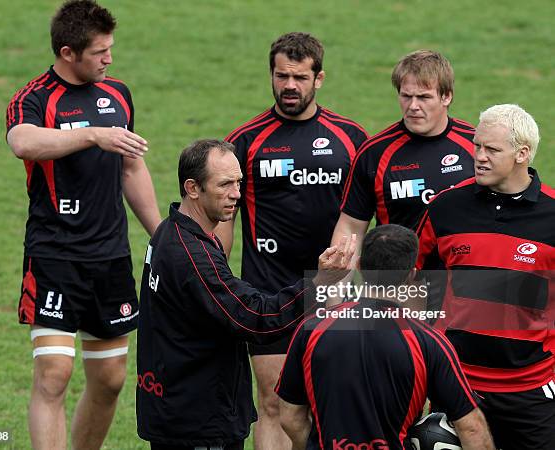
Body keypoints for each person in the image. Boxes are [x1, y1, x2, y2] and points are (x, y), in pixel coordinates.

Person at [5, 1, 161, 448]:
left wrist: (163, 235)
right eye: (99, 52)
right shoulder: (33, 98)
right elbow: (23, 142)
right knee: (54, 374)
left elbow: (132, 170)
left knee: (111, 379)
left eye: (111, 48)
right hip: (55, 253)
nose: (109, 58)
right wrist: (93, 134)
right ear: (68, 52)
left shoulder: (118, 95)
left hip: (110, 257)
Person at [136, 139, 355, 449]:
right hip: (198, 424)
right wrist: (320, 283)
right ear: (193, 187)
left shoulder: (171, 231)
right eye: (225, 184)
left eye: (239, 182)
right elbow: (255, 318)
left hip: (178, 410)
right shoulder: (192, 255)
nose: (237, 194)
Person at [220, 32, 368, 450]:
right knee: (272, 402)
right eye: (282, 75)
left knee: (332, 399)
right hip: (268, 292)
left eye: (300, 77)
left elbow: (365, 217)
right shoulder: (245, 142)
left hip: (334, 290)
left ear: (319, 78)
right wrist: (221, 281)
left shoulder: (352, 139)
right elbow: (224, 220)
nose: (289, 85)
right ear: (271, 75)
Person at [276, 224, 496, 450]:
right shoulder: (429, 342)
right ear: (411, 276)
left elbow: (290, 417)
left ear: (359, 267)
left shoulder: (311, 329)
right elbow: (471, 428)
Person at [415, 104, 554, 450]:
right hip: (458, 387)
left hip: (532, 391)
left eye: (492, 149)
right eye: (477, 146)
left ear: (522, 153)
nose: (479, 156)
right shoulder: (445, 208)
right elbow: (413, 285)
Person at [331, 50, 475, 256]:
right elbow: (351, 227)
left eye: (424, 97)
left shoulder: (476, 144)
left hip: (464, 281)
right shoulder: (374, 153)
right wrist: (335, 285)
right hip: (402, 283)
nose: (413, 106)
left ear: (446, 96)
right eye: (406, 96)